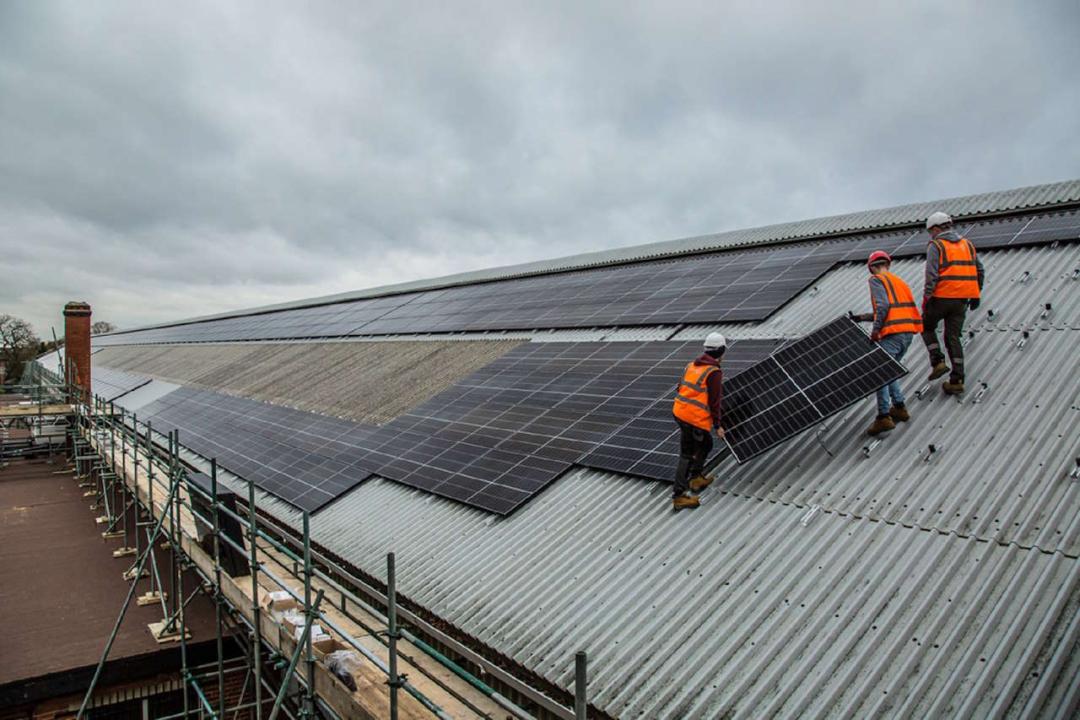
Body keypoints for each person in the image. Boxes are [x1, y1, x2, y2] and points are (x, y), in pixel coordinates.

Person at [852, 251, 922, 435]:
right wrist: (861, 317)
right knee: (889, 370)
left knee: (880, 372)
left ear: (872, 267)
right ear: (888, 264)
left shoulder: (876, 280)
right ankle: (899, 407)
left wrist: (875, 331)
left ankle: (883, 416)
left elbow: (883, 306)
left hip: (892, 334)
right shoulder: (900, 282)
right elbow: (894, 310)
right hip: (908, 333)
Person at [921, 211, 985, 394]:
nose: (930, 235)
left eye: (930, 231)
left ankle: (937, 361)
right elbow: (979, 270)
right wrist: (976, 293)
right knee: (953, 337)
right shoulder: (967, 244)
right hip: (961, 301)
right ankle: (957, 380)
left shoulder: (936, 245)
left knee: (925, 326)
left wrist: (927, 299)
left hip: (941, 297)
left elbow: (931, 275)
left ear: (935, 228)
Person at [670, 332, 726, 511]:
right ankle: (678, 496)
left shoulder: (691, 366)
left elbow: (680, 387)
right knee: (687, 454)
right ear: (721, 351)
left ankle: (696, 478)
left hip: (679, 412)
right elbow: (715, 401)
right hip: (691, 419)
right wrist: (717, 425)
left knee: (706, 444)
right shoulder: (713, 372)